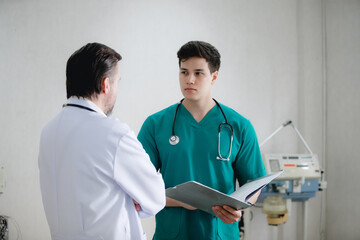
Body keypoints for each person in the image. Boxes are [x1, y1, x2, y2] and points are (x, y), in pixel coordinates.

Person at [137, 41, 266, 239]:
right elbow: (138, 184)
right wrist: (178, 200)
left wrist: (239, 208)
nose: (189, 79)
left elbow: (254, 182)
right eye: (184, 72)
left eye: (198, 73)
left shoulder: (239, 126)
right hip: (171, 234)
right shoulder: (155, 125)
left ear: (214, 76)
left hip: (220, 233)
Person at [38, 42, 165, 240]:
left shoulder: (48, 132)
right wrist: (134, 198)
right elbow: (156, 197)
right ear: (106, 84)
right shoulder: (113, 133)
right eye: (117, 82)